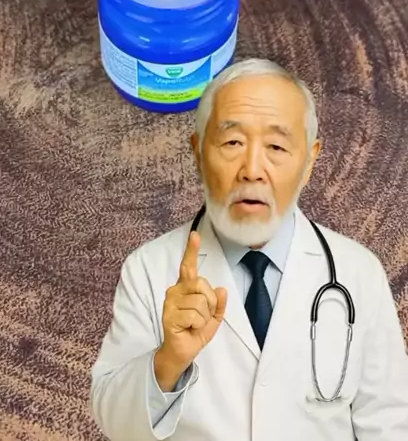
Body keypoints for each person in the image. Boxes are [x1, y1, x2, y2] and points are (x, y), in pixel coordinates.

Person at [90, 59, 408, 441]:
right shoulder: (148, 268)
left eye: (276, 146)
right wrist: (169, 359)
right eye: (232, 143)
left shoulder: (359, 272)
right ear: (198, 153)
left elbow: (391, 423)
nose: (252, 169)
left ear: (309, 161)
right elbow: (114, 424)